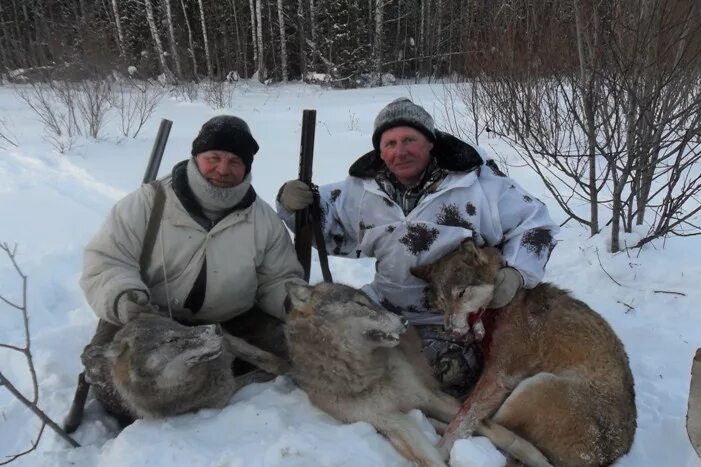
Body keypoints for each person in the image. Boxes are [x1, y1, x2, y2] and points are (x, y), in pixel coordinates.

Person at [276, 98, 559, 397]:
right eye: (390, 143)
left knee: (445, 377)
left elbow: (535, 224)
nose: (400, 151)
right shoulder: (362, 189)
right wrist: (293, 204)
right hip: (383, 306)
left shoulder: (479, 186)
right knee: (322, 347)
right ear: (380, 152)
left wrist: (517, 273)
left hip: (452, 317)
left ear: (430, 143)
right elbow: (326, 227)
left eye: (410, 140)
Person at [81, 115, 304, 354]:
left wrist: (299, 304)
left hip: (233, 321)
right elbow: (108, 261)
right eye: (214, 158)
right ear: (196, 158)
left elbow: (277, 279)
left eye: (235, 161)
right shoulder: (148, 203)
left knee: (302, 351)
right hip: (150, 319)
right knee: (118, 376)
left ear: (246, 167)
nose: (223, 169)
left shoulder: (263, 219)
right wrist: (125, 298)